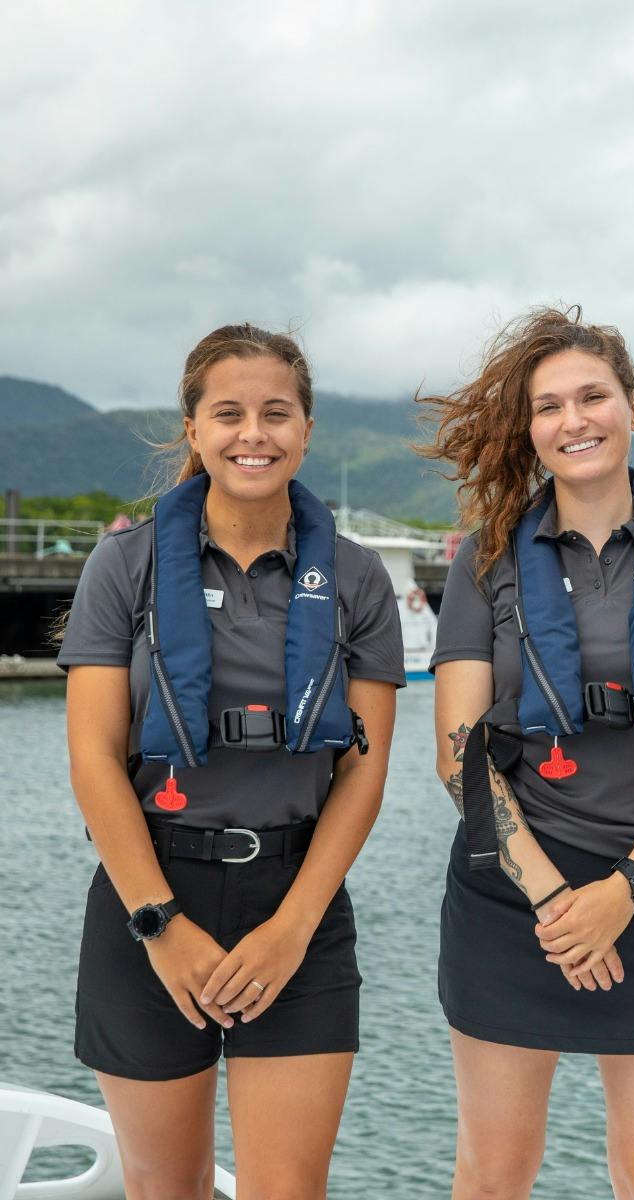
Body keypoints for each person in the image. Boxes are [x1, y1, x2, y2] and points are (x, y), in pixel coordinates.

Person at [57, 324, 404, 1199]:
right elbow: (95, 760)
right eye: (230, 413)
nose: (255, 433)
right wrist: (160, 927)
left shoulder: (359, 580)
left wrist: (291, 931)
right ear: (193, 428)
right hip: (149, 898)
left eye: (276, 413)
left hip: (299, 905)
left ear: (308, 430)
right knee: (166, 1189)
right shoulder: (122, 566)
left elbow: (362, 771)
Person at [420, 305, 634, 1200]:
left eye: (593, 395)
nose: (575, 420)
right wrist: (561, 902)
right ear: (529, 430)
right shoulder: (485, 561)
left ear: (633, 404)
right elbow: (458, 756)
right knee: (494, 1173)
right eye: (550, 405)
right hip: (511, 894)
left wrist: (626, 890)